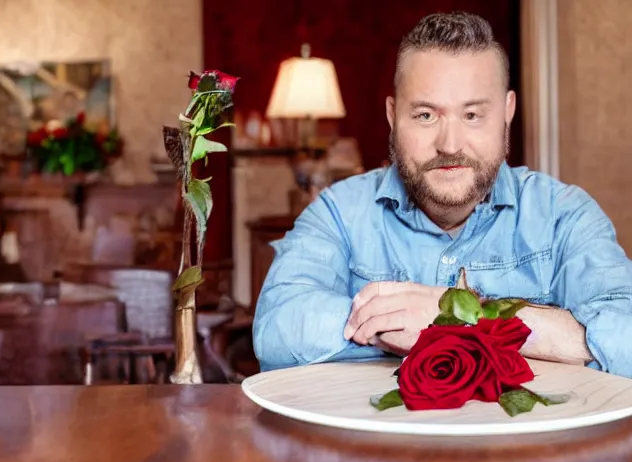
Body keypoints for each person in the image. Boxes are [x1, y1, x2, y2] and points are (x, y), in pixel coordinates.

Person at [253, 12, 632, 377]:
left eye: (472, 115)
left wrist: (454, 316)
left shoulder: (564, 214)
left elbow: (625, 338)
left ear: (507, 112)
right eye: (425, 116)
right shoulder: (339, 212)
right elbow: (277, 330)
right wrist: (540, 334)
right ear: (392, 115)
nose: (450, 145)